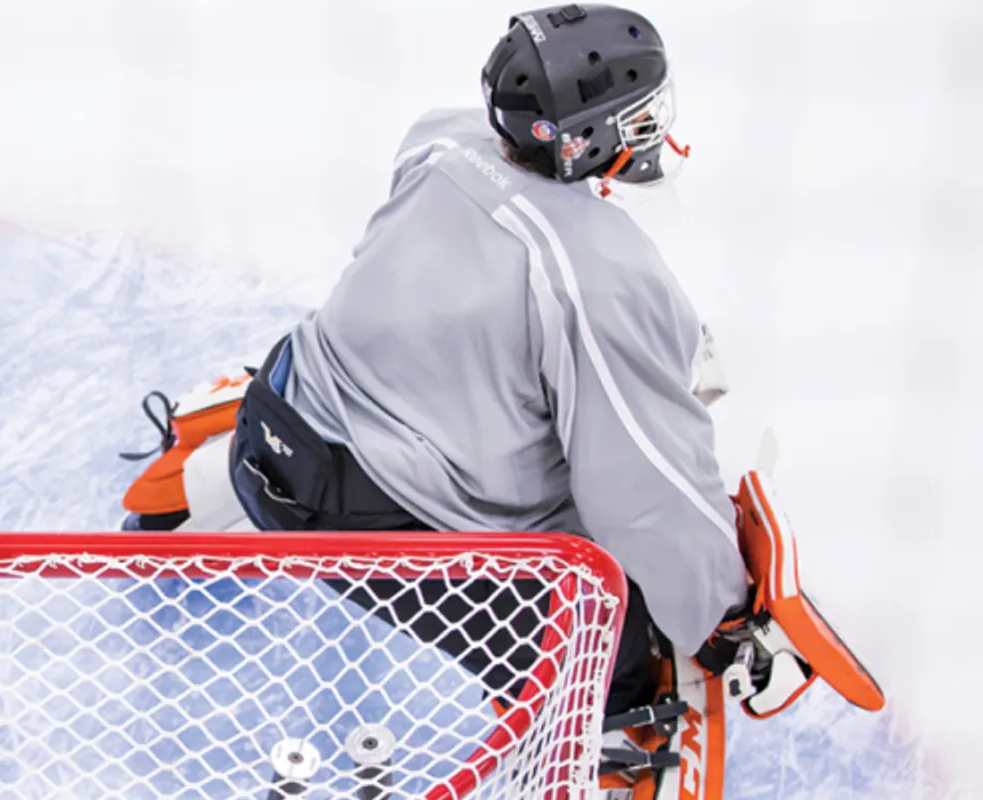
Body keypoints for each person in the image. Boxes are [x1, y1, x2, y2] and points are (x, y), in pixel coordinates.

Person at [116, 5, 882, 798]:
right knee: (610, 621)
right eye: (640, 114)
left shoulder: (440, 138)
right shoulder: (603, 277)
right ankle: (615, 754)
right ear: (588, 138)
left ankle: (185, 487)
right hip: (371, 524)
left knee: (331, 392)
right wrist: (722, 624)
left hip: (275, 423)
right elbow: (643, 497)